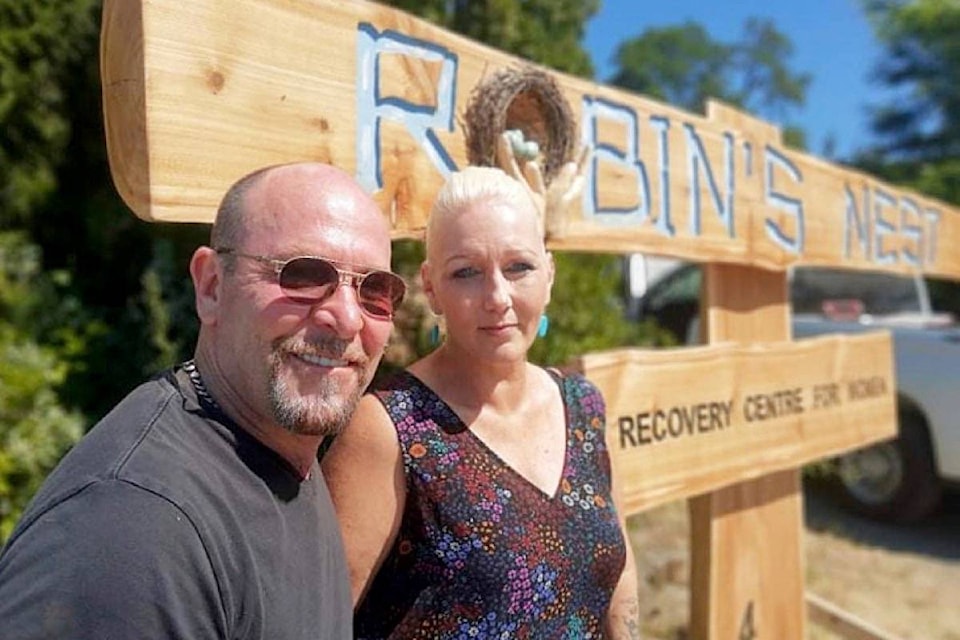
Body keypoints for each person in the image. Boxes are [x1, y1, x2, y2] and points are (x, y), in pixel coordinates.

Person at [0, 162, 406, 639]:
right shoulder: (132, 529)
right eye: (302, 277)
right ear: (212, 286)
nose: (346, 318)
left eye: (375, 291)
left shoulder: (285, 456)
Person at [322, 164, 641, 638]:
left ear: (549, 276)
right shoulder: (390, 427)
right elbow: (320, 618)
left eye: (519, 267)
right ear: (431, 288)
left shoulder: (582, 405)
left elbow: (621, 576)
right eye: (467, 272)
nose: (497, 296)